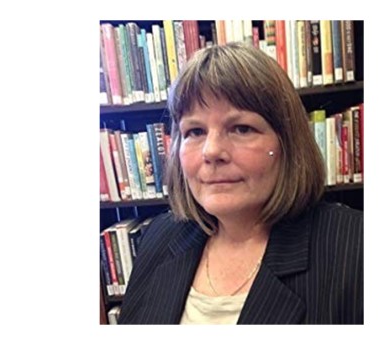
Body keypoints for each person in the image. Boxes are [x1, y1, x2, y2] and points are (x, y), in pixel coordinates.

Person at [117, 43, 363, 325]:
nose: (211, 151)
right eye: (195, 131)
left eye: (241, 128)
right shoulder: (159, 237)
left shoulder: (357, 249)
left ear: (287, 143)